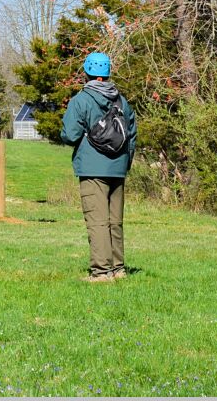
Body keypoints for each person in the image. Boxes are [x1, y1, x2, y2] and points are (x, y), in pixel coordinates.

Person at [60, 52, 137, 283]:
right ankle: (118, 268)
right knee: (115, 221)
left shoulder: (81, 100)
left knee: (97, 221)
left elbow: (71, 135)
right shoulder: (122, 101)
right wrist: (125, 163)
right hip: (118, 168)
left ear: (87, 73)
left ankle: (101, 272)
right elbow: (132, 136)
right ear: (107, 73)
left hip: (93, 169)